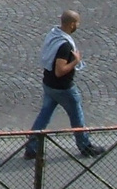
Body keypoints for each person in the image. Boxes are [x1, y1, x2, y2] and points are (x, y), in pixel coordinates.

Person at [22, 10, 103, 160]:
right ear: (72, 24)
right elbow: (60, 71)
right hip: (63, 88)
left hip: (48, 84)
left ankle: (31, 147)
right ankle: (85, 146)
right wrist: (75, 61)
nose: (78, 25)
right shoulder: (65, 46)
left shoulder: (53, 34)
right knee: (77, 116)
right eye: (77, 23)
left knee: (44, 115)